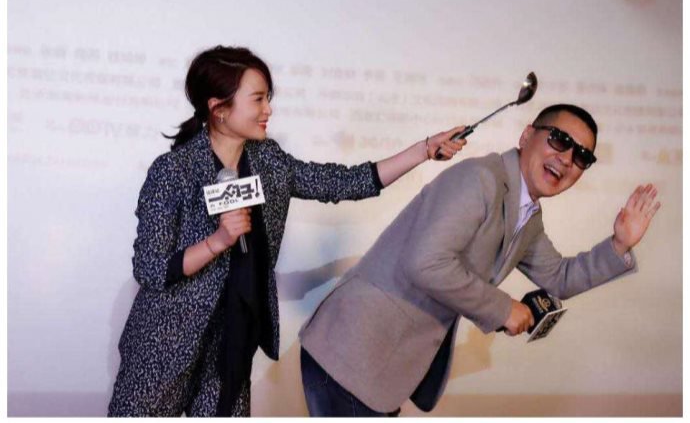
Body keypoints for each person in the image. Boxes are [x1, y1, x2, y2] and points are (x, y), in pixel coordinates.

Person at [107, 45, 466, 417]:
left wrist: (424, 150)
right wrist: (217, 242)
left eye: (268, 99)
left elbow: (342, 182)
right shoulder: (173, 171)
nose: (268, 110)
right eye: (258, 99)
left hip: (232, 344)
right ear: (219, 108)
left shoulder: (268, 161)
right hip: (165, 344)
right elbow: (150, 267)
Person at [299, 103, 661, 417]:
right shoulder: (480, 179)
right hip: (352, 353)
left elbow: (560, 278)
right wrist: (504, 309)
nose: (566, 158)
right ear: (526, 136)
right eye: (559, 140)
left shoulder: (527, 214)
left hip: (380, 367)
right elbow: (427, 262)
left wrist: (619, 244)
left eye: (581, 156)